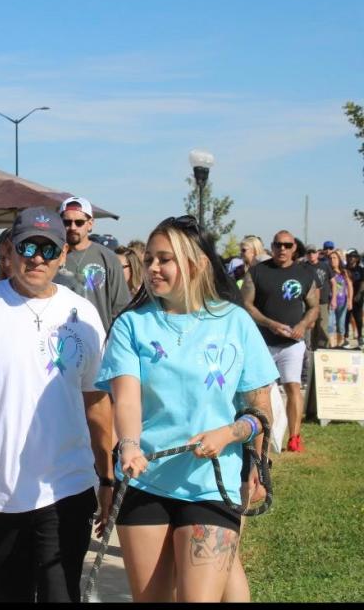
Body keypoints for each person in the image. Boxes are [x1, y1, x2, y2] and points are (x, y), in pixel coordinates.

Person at [0, 207, 114, 602]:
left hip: (65, 487)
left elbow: (96, 401)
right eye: (27, 246)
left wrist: (108, 475)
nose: (37, 257)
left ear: (63, 255)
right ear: (8, 251)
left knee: (60, 595)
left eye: (48, 249)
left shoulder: (81, 314)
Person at [95, 214, 277, 602]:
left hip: (213, 484)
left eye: (165, 259)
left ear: (195, 264)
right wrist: (128, 443)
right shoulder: (131, 325)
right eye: (149, 260)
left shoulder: (235, 322)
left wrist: (239, 444)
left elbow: (260, 408)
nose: (153, 268)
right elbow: (126, 398)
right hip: (145, 480)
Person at [242, 230, 319, 453]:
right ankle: (260, 437)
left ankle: (294, 438)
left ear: (294, 247)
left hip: (293, 344)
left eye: (287, 245)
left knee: (293, 387)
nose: (282, 249)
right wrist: (269, 323)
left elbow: (313, 305)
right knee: (259, 391)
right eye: (278, 245)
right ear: (272, 246)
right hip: (263, 342)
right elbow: (247, 304)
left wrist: (303, 326)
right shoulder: (258, 272)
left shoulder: (304, 274)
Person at [56, 196, 131, 332]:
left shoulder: (108, 258)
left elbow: (121, 307)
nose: (72, 227)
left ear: (90, 224)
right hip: (61, 337)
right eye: (67, 222)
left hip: (99, 340)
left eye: (79, 222)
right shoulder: (52, 257)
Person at [305, 245, 333, 350]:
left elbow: (333, 282)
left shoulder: (324, 266)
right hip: (308, 302)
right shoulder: (303, 266)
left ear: (317, 254)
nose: (311, 255)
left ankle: (323, 349)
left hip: (323, 301)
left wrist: (333, 298)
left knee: (322, 326)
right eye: (309, 253)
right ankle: (311, 348)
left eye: (313, 252)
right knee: (310, 327)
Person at [327, 249, 353, 348]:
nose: (332, 260)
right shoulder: (328, 272)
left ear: (339, 260)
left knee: (341, 324)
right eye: (330, 258)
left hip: (343, 302)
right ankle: (332, 345)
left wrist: (350, 300)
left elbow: (350, 287)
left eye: (334, 258)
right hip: (331, 302)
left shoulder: (344, 272)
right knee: (330, 324)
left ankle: (340, 344)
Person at [344, 249, 363, 347]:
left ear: (357, 258)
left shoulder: (360, 269)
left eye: (353, 257)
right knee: (346, 317)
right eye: (350, 256)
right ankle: (345, 337)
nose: (352, 258)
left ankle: (360, 336)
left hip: (357, 297)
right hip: (346, 297)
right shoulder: (345, 268)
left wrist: (358, 295)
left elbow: (363, 283)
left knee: (358, 318)